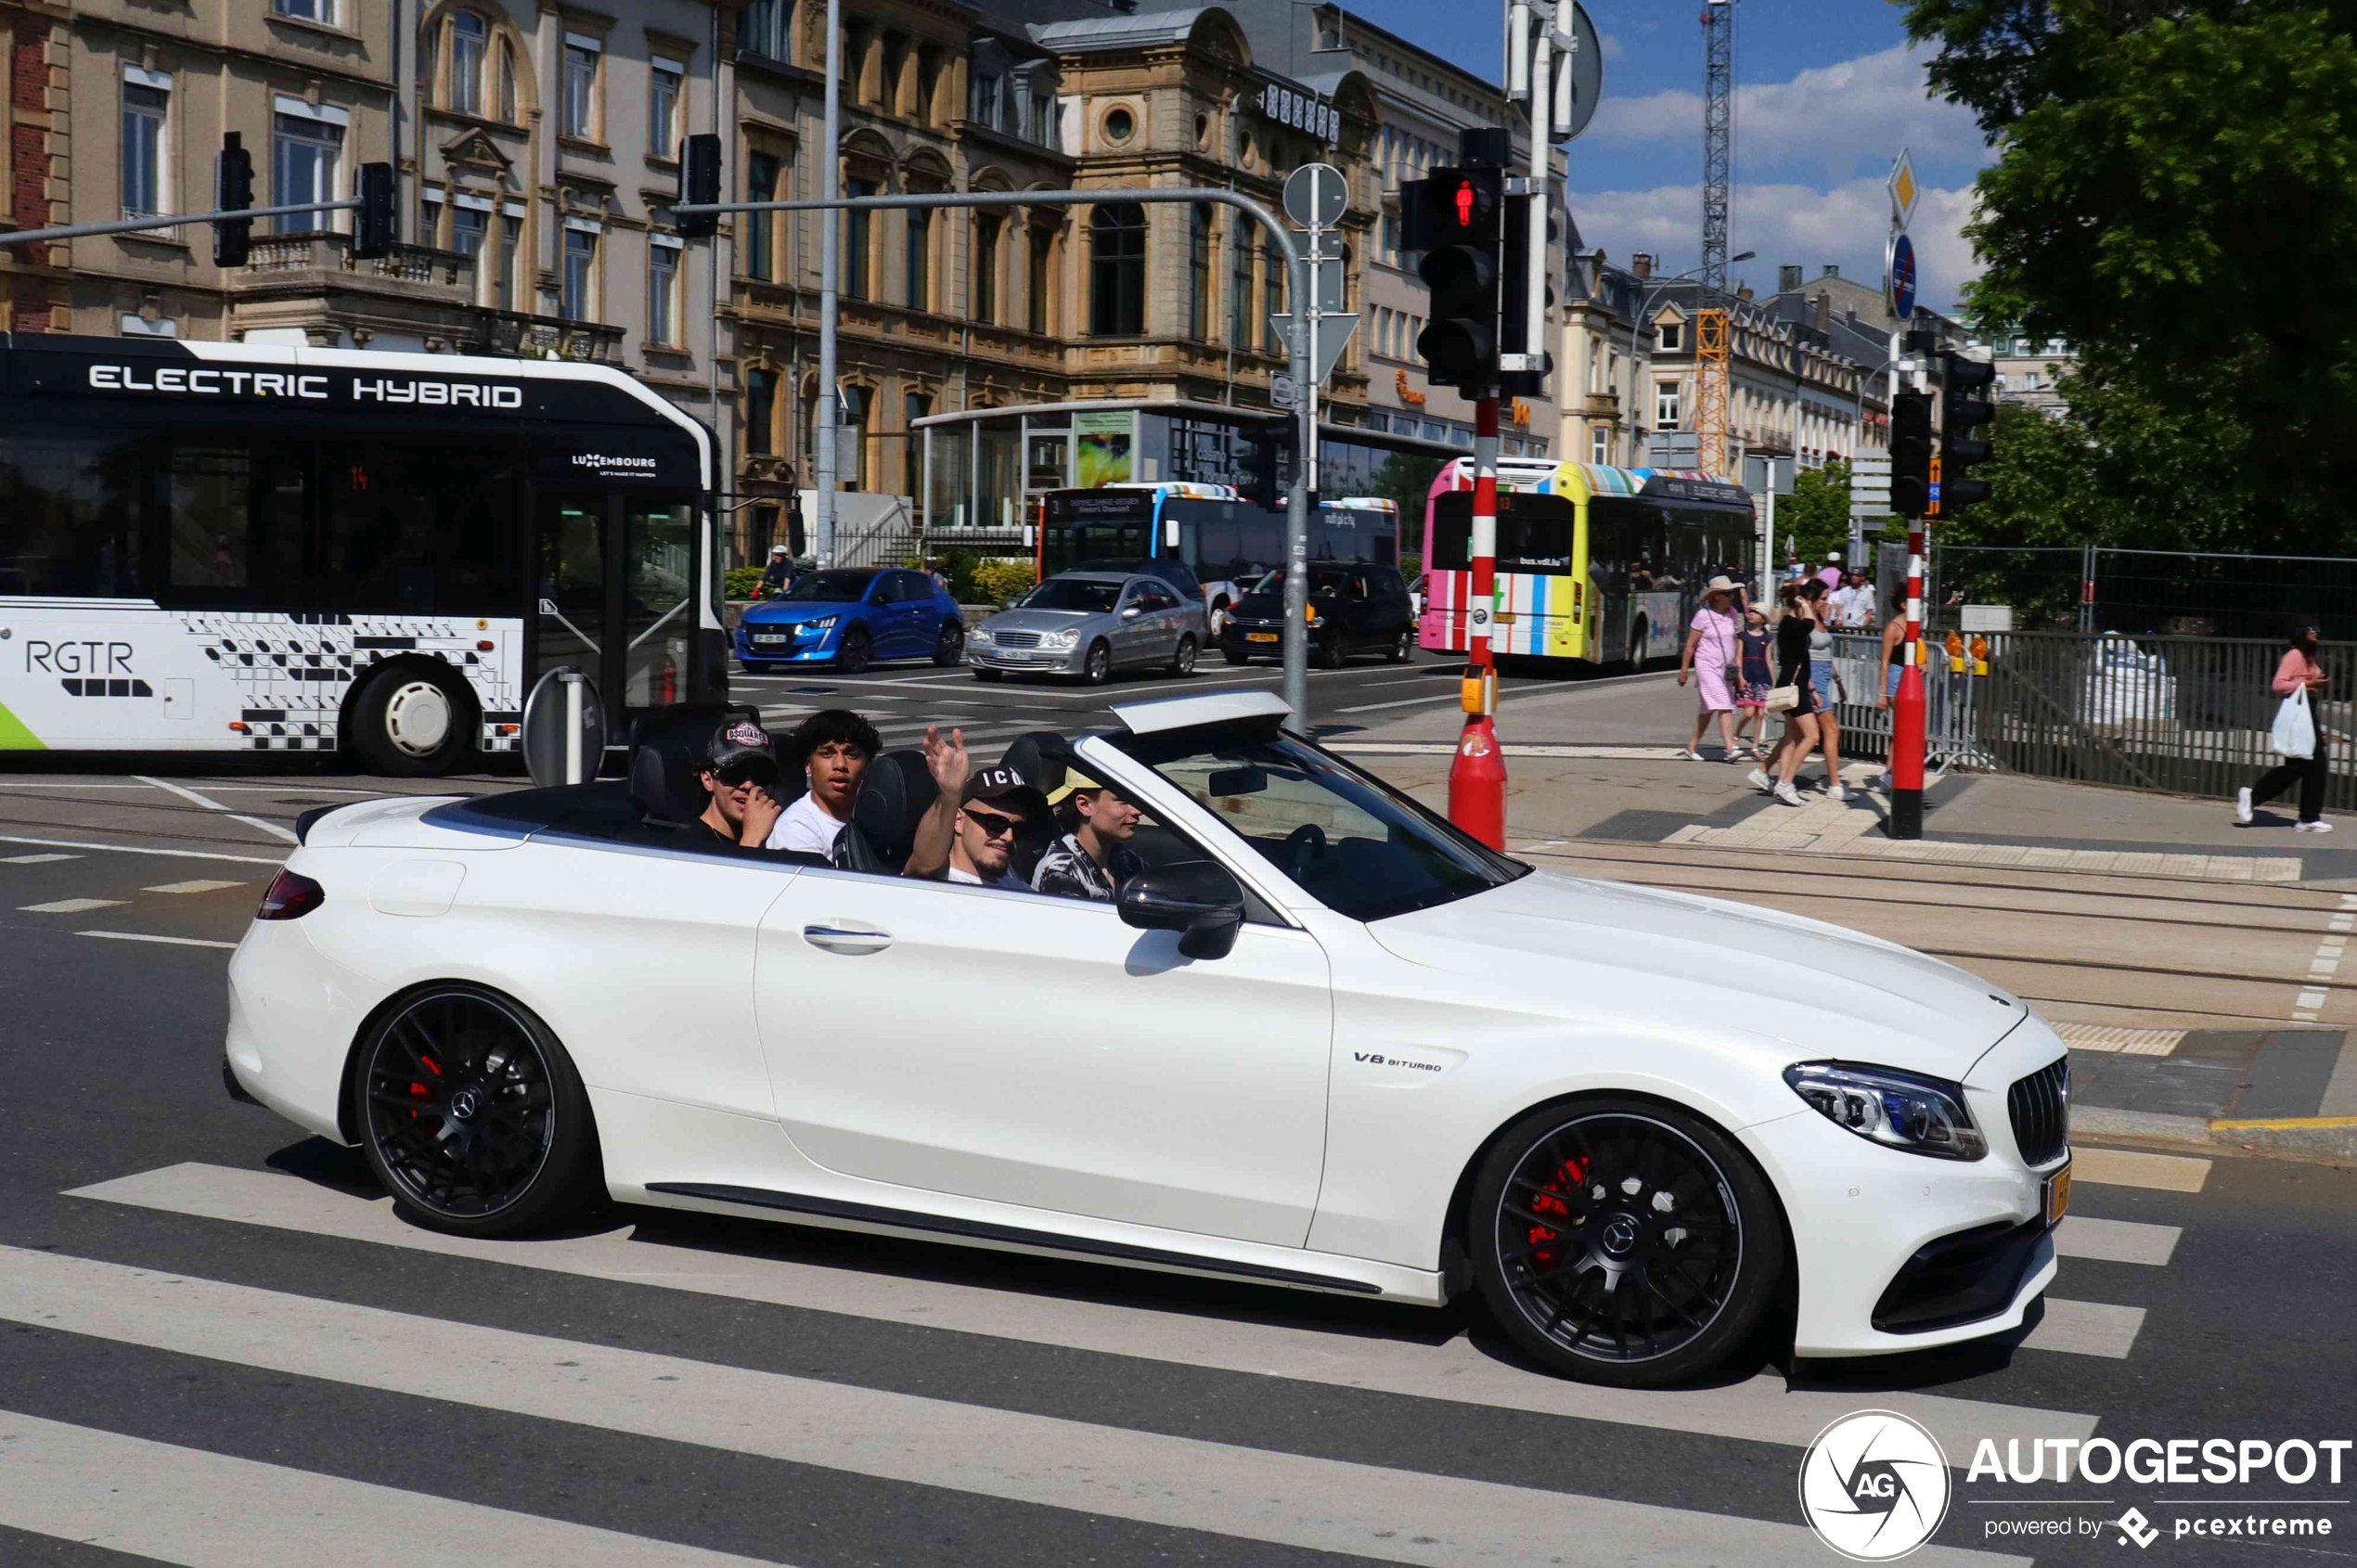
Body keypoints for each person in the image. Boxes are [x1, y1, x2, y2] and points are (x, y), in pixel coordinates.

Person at [905, 726, 1048, 888]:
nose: (1009, 837)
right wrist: (950, 796)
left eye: (1019, 829)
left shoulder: (1023, 892)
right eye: (996, 823)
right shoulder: (934, 881)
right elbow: (923, 862)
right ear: (958, 820)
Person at [2237, 623, 2334, 833]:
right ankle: (2304, 817)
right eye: (2311, 627)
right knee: (2308, 765)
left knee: (2306, 766)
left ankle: (2307, 817)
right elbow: (2278, 684)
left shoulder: (2309, 657)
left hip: (2309, 712)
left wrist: (2316, 683)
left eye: (2318, 627)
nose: (2316, 631)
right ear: (2300, 630)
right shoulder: (2294, 655)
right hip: (2299, 713)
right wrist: (2307, 685)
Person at [1748, 580, 1828, 806]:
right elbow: (1810, 623)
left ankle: (1773, 778)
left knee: (1792, 737)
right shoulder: (1790, 623)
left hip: (1796, 684)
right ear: (1798, 601)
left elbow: (1801, 659)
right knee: (1812, 736)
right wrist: (1806, 606)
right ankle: (1785, 783)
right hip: (1793, 688)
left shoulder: (1792, 623)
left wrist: (1811, 687)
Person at [766, 708, 881, 855]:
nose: (840, 764)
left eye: (852, 754)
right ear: (808, 764)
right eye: (827, 753)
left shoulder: (874, 818)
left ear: (867, 764)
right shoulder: (797, 827)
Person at [1031, 774, 1147, 900]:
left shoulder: (1126, 858)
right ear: (1085, 805)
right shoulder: (1061, 871)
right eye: (1123, 801)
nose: (1137, 810)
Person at [1677, 576, 1744, 762]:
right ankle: (1730, 748)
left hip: (1726, 669)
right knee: (1724, 705)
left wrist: (1738, 668)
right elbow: (1690, 645)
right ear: (1715, 596)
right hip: (1707, 666)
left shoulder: (1732, 613)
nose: (1732, 597)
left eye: (1733, 593)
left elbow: (1736, 641)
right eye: (1728, 593)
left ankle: (1691, 747)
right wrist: (1684, 670)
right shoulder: (1702, 616)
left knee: (1707, 710)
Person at [694, 718, 785, 849]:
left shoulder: (778, 837)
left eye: (761, 775)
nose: (748, 785)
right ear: (708, 780)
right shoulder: (687, 846)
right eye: (735, 773)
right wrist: (752, 840)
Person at [1731, 606, 1774, 759]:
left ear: (1762, 618)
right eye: (1750, 612)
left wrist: (1772, 680)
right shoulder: (1743, 636)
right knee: (1749, 712)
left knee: (1760, 713)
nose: (1751, 615)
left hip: (1763, 677)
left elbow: (1769, 659)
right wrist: (1740, 676)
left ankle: (1755, 747)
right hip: (1747, 676)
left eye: (1755, 612)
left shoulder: (1767, 638)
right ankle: (1736, 734)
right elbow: (1738, 657)